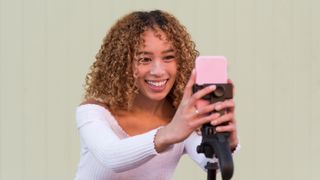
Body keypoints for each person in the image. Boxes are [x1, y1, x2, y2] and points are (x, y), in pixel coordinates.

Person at [74, 10, 239, 180]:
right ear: (123, 65)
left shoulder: (180, 117)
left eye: (168, 57)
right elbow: (111, 156)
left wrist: (225, 144)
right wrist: (168, 133)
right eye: (145, 59)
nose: (158, 71)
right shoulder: (93, 112)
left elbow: (208, 162)